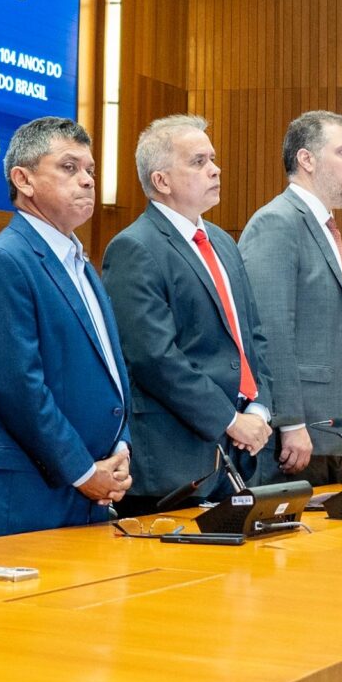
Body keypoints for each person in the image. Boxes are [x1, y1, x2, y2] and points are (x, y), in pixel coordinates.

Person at [0, 118, 130, 541]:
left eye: (90, 171)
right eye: (69, 168)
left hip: (93, 491)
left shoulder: (83, 267)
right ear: (23, 180)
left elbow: (114, 377)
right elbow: (20, 389)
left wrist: (120, 449)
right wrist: (83, 471)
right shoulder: (3, 260)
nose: (86, 181)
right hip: (27, 496)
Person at [102, 114, 274, 507]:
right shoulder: (135, 247)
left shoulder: (221, 242)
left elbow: (253, 336)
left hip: (243, 449)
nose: (215, 170)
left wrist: (261, 409)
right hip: (177, 459)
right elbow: (154, 357)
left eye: (212, 159)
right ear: (161, 181)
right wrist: (230, 421)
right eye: (198, 162)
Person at [239, 110, 342, 482]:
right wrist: (291, 420)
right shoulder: (277, 222)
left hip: (332, 432)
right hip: (297, 436)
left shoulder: (323, 226)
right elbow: (271, 330)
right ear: (306, 159)